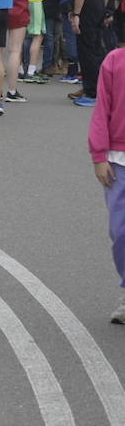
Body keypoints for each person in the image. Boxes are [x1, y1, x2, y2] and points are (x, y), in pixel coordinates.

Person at [89, 44, 125, 322]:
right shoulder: (115, 60)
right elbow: (102, 108)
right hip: (118, 160)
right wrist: (99, 154)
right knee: (120, 232)